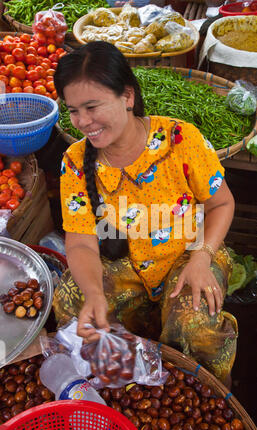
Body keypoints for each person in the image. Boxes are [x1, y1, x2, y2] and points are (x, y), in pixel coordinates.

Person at [53, 41, 237, 387]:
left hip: (191, 250)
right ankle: (134, 385)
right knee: (72, 300)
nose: (83, 122)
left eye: (92, 106)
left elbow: (222, 204)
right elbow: (80, 241)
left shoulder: (180, 139)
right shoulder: (75, 162)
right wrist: (93, 293)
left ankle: (209, 396)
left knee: (195, 325)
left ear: (127, 96)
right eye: (74, 110)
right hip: (128, 261)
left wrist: (203, 256)